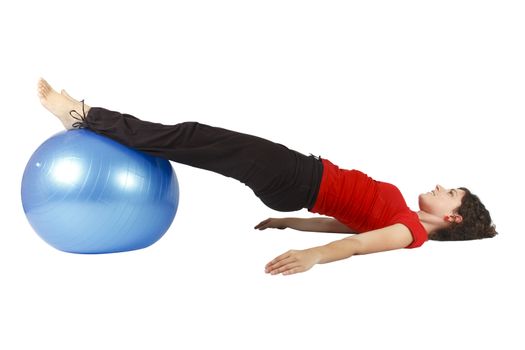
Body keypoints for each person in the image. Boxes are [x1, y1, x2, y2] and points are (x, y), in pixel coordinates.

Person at [37, 78, 497, 276]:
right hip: (297, 184)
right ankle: (88, 121)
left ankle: (82, 116)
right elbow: (346, 225)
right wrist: (286, 223)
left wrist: (312, 256)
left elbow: (353, 245)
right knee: (195, 142)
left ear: (454, 219)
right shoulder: (402, 220)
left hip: (299, 178)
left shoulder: (408, 232)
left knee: (193, 138)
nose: (440, 186)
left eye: (450, 193)